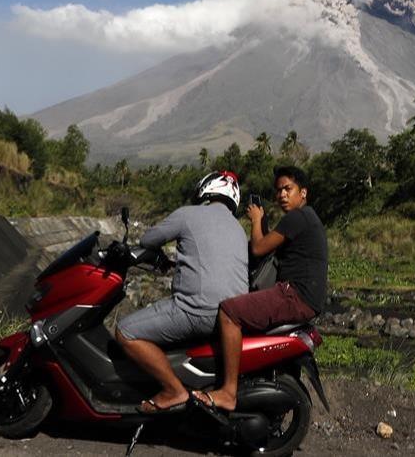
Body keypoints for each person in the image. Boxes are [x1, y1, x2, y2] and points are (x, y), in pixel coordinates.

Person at [192, 165, 328, 412]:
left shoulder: (298, 217)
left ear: (303, 192)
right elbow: (268, 249)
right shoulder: (306, 219)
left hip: (293, 295)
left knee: (229, 312)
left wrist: (256, 220)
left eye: (288, 189)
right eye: (279, 191)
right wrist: (263, 223)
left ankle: (228, 392)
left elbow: (258, 248)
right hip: (302, 296)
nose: (282, 195)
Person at [114, 171, 248, 413]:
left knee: (125, 332)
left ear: (206, 190)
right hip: (231, 319)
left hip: (196, 310)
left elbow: (148, 239)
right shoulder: (238, 229)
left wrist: (160, 256)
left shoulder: (189, 214)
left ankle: (173, 390)